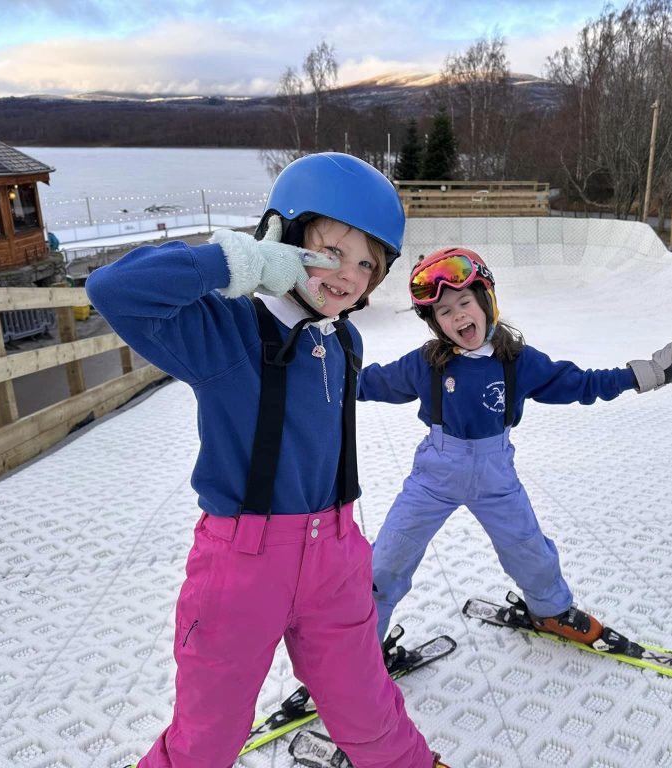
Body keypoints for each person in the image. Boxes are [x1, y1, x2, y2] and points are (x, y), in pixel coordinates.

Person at [86, 153, 450, 768]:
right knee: (210, 735)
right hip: (241, 567)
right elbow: (113, 289)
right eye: (332, 252)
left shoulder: (344, 340)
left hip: (336, 555)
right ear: (284, 232)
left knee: (369, 708)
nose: (349, 276)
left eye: (368, 263)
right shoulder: (227, 331)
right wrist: (242, 263)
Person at [359, 246, 672, 647]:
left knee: (529, 549)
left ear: (486, 300)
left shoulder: (517, 361)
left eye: (464, 302)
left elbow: (581, 383)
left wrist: (646, 374)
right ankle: (359, 645)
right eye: (445, 312)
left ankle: (550, 610)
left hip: (495, 475)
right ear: (435, 324)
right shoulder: (426, 363)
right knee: (387, 559)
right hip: (434, 476)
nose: (458, 316)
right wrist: (316, 379)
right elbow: (368, 383)